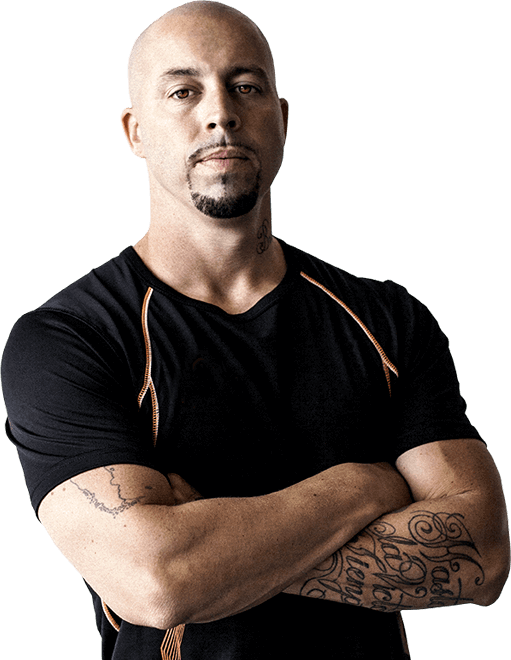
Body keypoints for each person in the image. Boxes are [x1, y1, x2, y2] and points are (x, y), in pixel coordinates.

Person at [1, 2, 509, 659]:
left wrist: (206, 551)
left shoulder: (386, 318)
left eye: (246, 86)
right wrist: (365, 486)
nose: (220, 112)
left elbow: (480, 557)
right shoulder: (69, 338)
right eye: (183, 91)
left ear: (282, 118)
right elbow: (153, 580)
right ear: (135, 130)